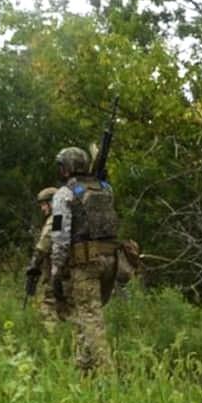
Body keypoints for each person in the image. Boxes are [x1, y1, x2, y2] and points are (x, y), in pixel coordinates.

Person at [50, 146, 119, 372]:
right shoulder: (105, 188)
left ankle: (107, 375)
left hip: (85, 262)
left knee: (90, 317)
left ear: (66, 168)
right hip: (110, 261)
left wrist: (56, 268)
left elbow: (59, 233)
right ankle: (83, 369)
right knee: (85, 314)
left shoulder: (63, 194)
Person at [26, 186, 63, 330]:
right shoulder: (68, 216)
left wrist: (33, 265)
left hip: (57, 271)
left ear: (53, 203)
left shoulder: (56, 218)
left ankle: (52, 339)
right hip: (67, 270)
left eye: (43, 204)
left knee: (48, 305)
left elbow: (43, 245)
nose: (42, 208)